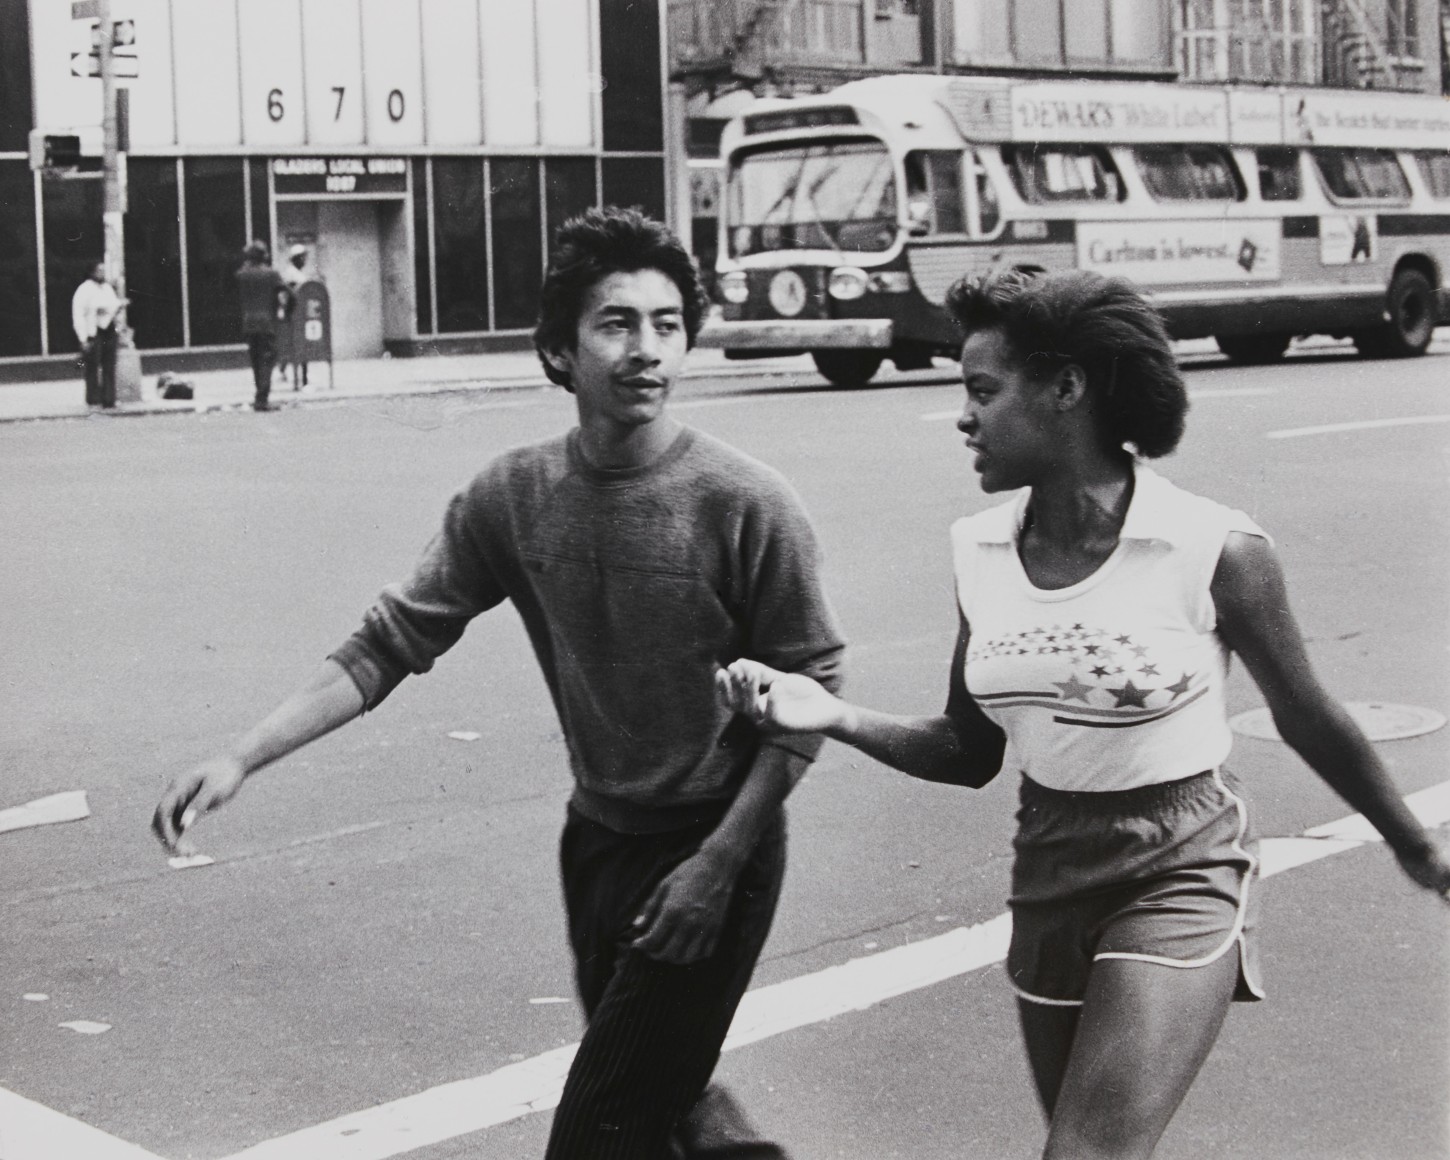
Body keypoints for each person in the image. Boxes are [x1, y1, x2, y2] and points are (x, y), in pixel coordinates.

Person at [153, 207, 844, 1159]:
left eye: (667, 324)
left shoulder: (746, 502)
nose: (647, 350)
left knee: (601, 1126)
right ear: (559, 351)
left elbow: (811, 690)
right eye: (616, 324)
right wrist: (239, 757)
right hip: (598, 842)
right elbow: (385, 646)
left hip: (713, 843)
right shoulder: (511, 496)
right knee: (665, 1101)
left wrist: (719, 867)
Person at [718, 267, 1450, 1160]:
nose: (963, 416)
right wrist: (829, 712)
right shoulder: (978, 550)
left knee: (1084, 1155)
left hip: (1182, 861)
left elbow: (1309, 716)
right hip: (1049, 865)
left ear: (1066, 389)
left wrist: (1415, 845)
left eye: (983, 391)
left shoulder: (1213, 546)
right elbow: (966, 749)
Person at [236, 241, 289, 411]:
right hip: (267, 323)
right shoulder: (272, 274)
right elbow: (289, 292)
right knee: (268, 359)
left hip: (249, 322)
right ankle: (262, 398)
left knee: (256, 359)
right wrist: (287, 310)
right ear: (264, 256)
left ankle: (259, 394)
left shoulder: (242, 274)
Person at [72, 261, 120, 408]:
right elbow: (78, 314)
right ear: (91, 272)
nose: (103, 274)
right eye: (99, 271)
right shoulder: (84, 289)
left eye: (104, 271)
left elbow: (114, 304)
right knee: (93, 365)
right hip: (94, 331)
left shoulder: (107, 288)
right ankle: (93, 398)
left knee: (109, 364)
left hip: (108, 329)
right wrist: (83, 337)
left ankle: (109, 399)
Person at [279, 243, 315, 389]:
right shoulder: (291, 273)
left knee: (296, 344)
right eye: (302, 257)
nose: (304, 260)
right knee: (294, 344)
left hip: (299, 314)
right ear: (296, 258)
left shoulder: (298, 273)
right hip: (294, 314)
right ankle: (293, 373)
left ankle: (287, 370)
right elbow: (292, 294)